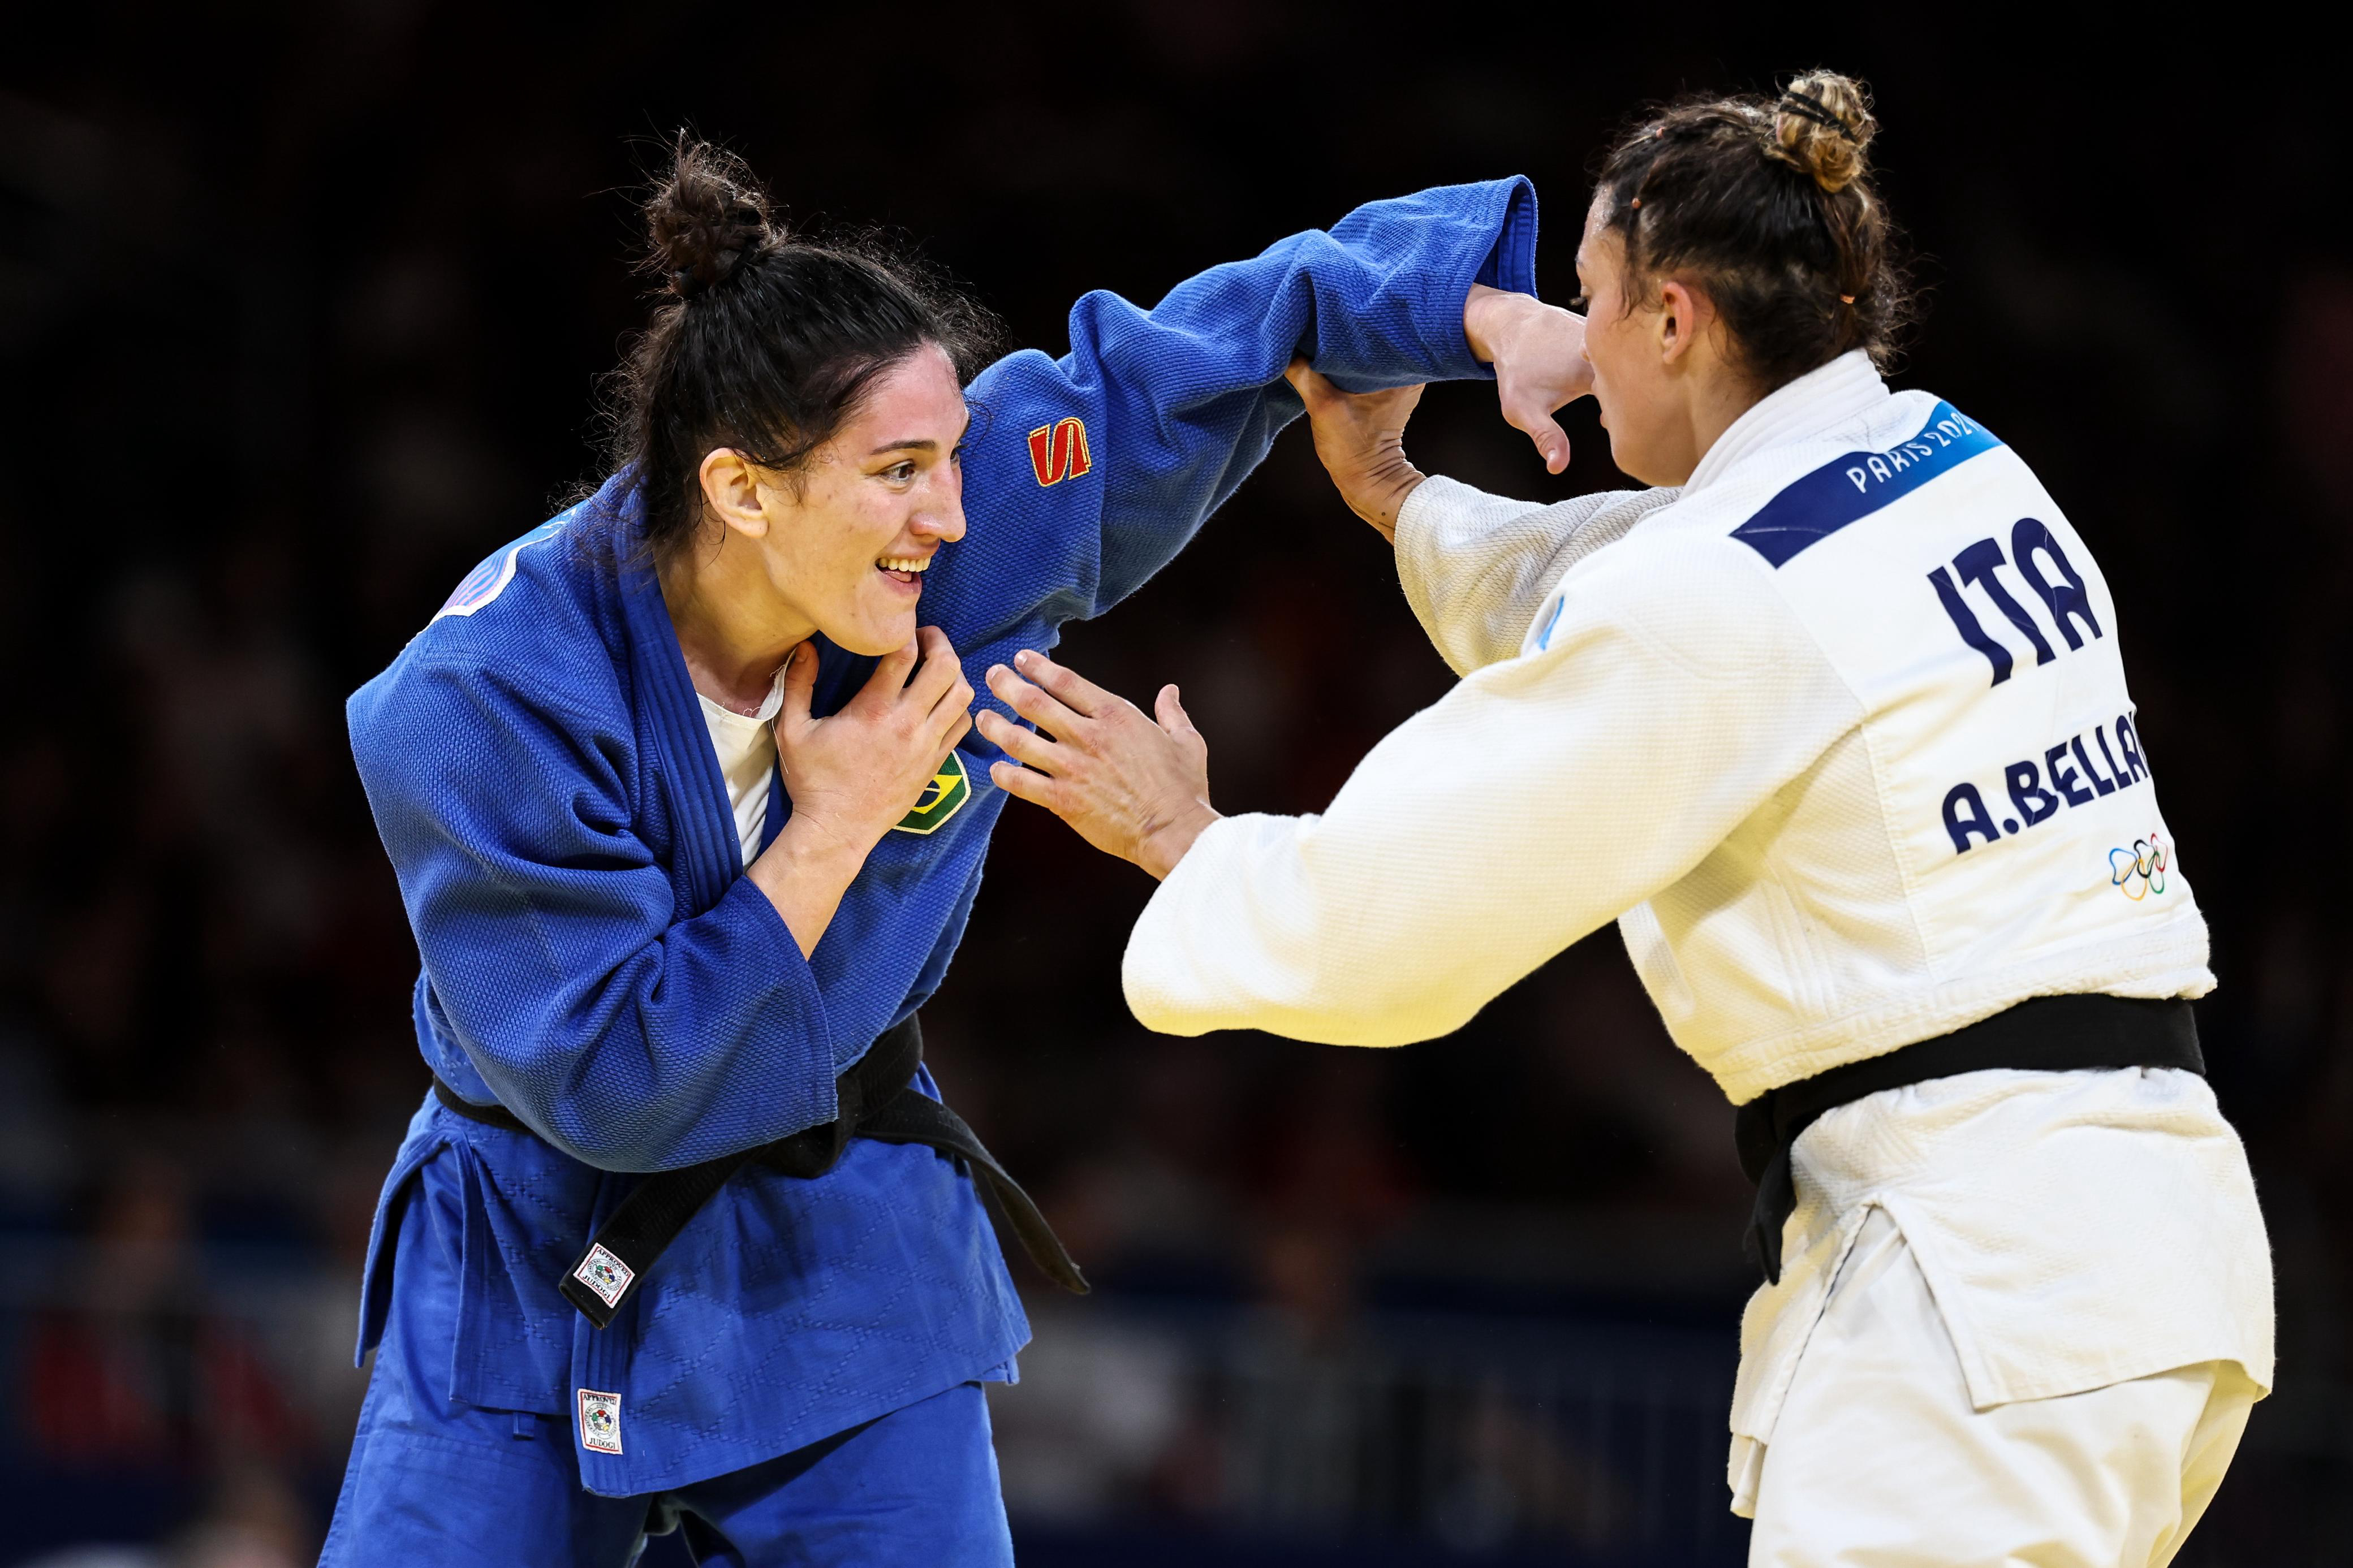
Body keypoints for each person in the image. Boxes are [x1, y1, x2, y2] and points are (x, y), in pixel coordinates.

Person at [979, 73, 2273, 1566]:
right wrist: (1398, 494)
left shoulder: (1723, 595)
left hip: (1972, 1288)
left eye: (1589, 301)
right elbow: (1626, 594)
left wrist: (1187, 842)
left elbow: (1416, 904)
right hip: (2149, 1258)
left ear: (1676, 320)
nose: (1570, 348)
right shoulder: (1946, 459)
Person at [324, 135, 1583, 1567]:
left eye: (951, 459)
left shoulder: (957, 542)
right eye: (900, 471)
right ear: (742, 490)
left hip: (839, 1227)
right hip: (530, 1248)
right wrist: (837, 822)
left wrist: (1478, 315)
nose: (954, 512)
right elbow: (618, 1081)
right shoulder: (486, 697)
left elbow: (1209, 343)